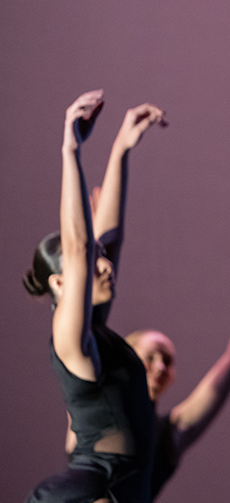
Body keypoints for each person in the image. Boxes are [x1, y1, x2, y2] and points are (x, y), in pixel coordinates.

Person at [23, 90, 166, 502]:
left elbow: (107, 242)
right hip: (93, 489)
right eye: (89, 265)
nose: (105, 266)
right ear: (59, 284)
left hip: (122, 485)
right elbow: (82, 249)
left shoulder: (95, 329)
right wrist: (71, 151)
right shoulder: (69, 340)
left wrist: (121, 149)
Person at [122, 237, 230, 499]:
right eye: (151, 357)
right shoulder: (95, 409)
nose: (161, 366)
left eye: (168, 360)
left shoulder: (167, 436)